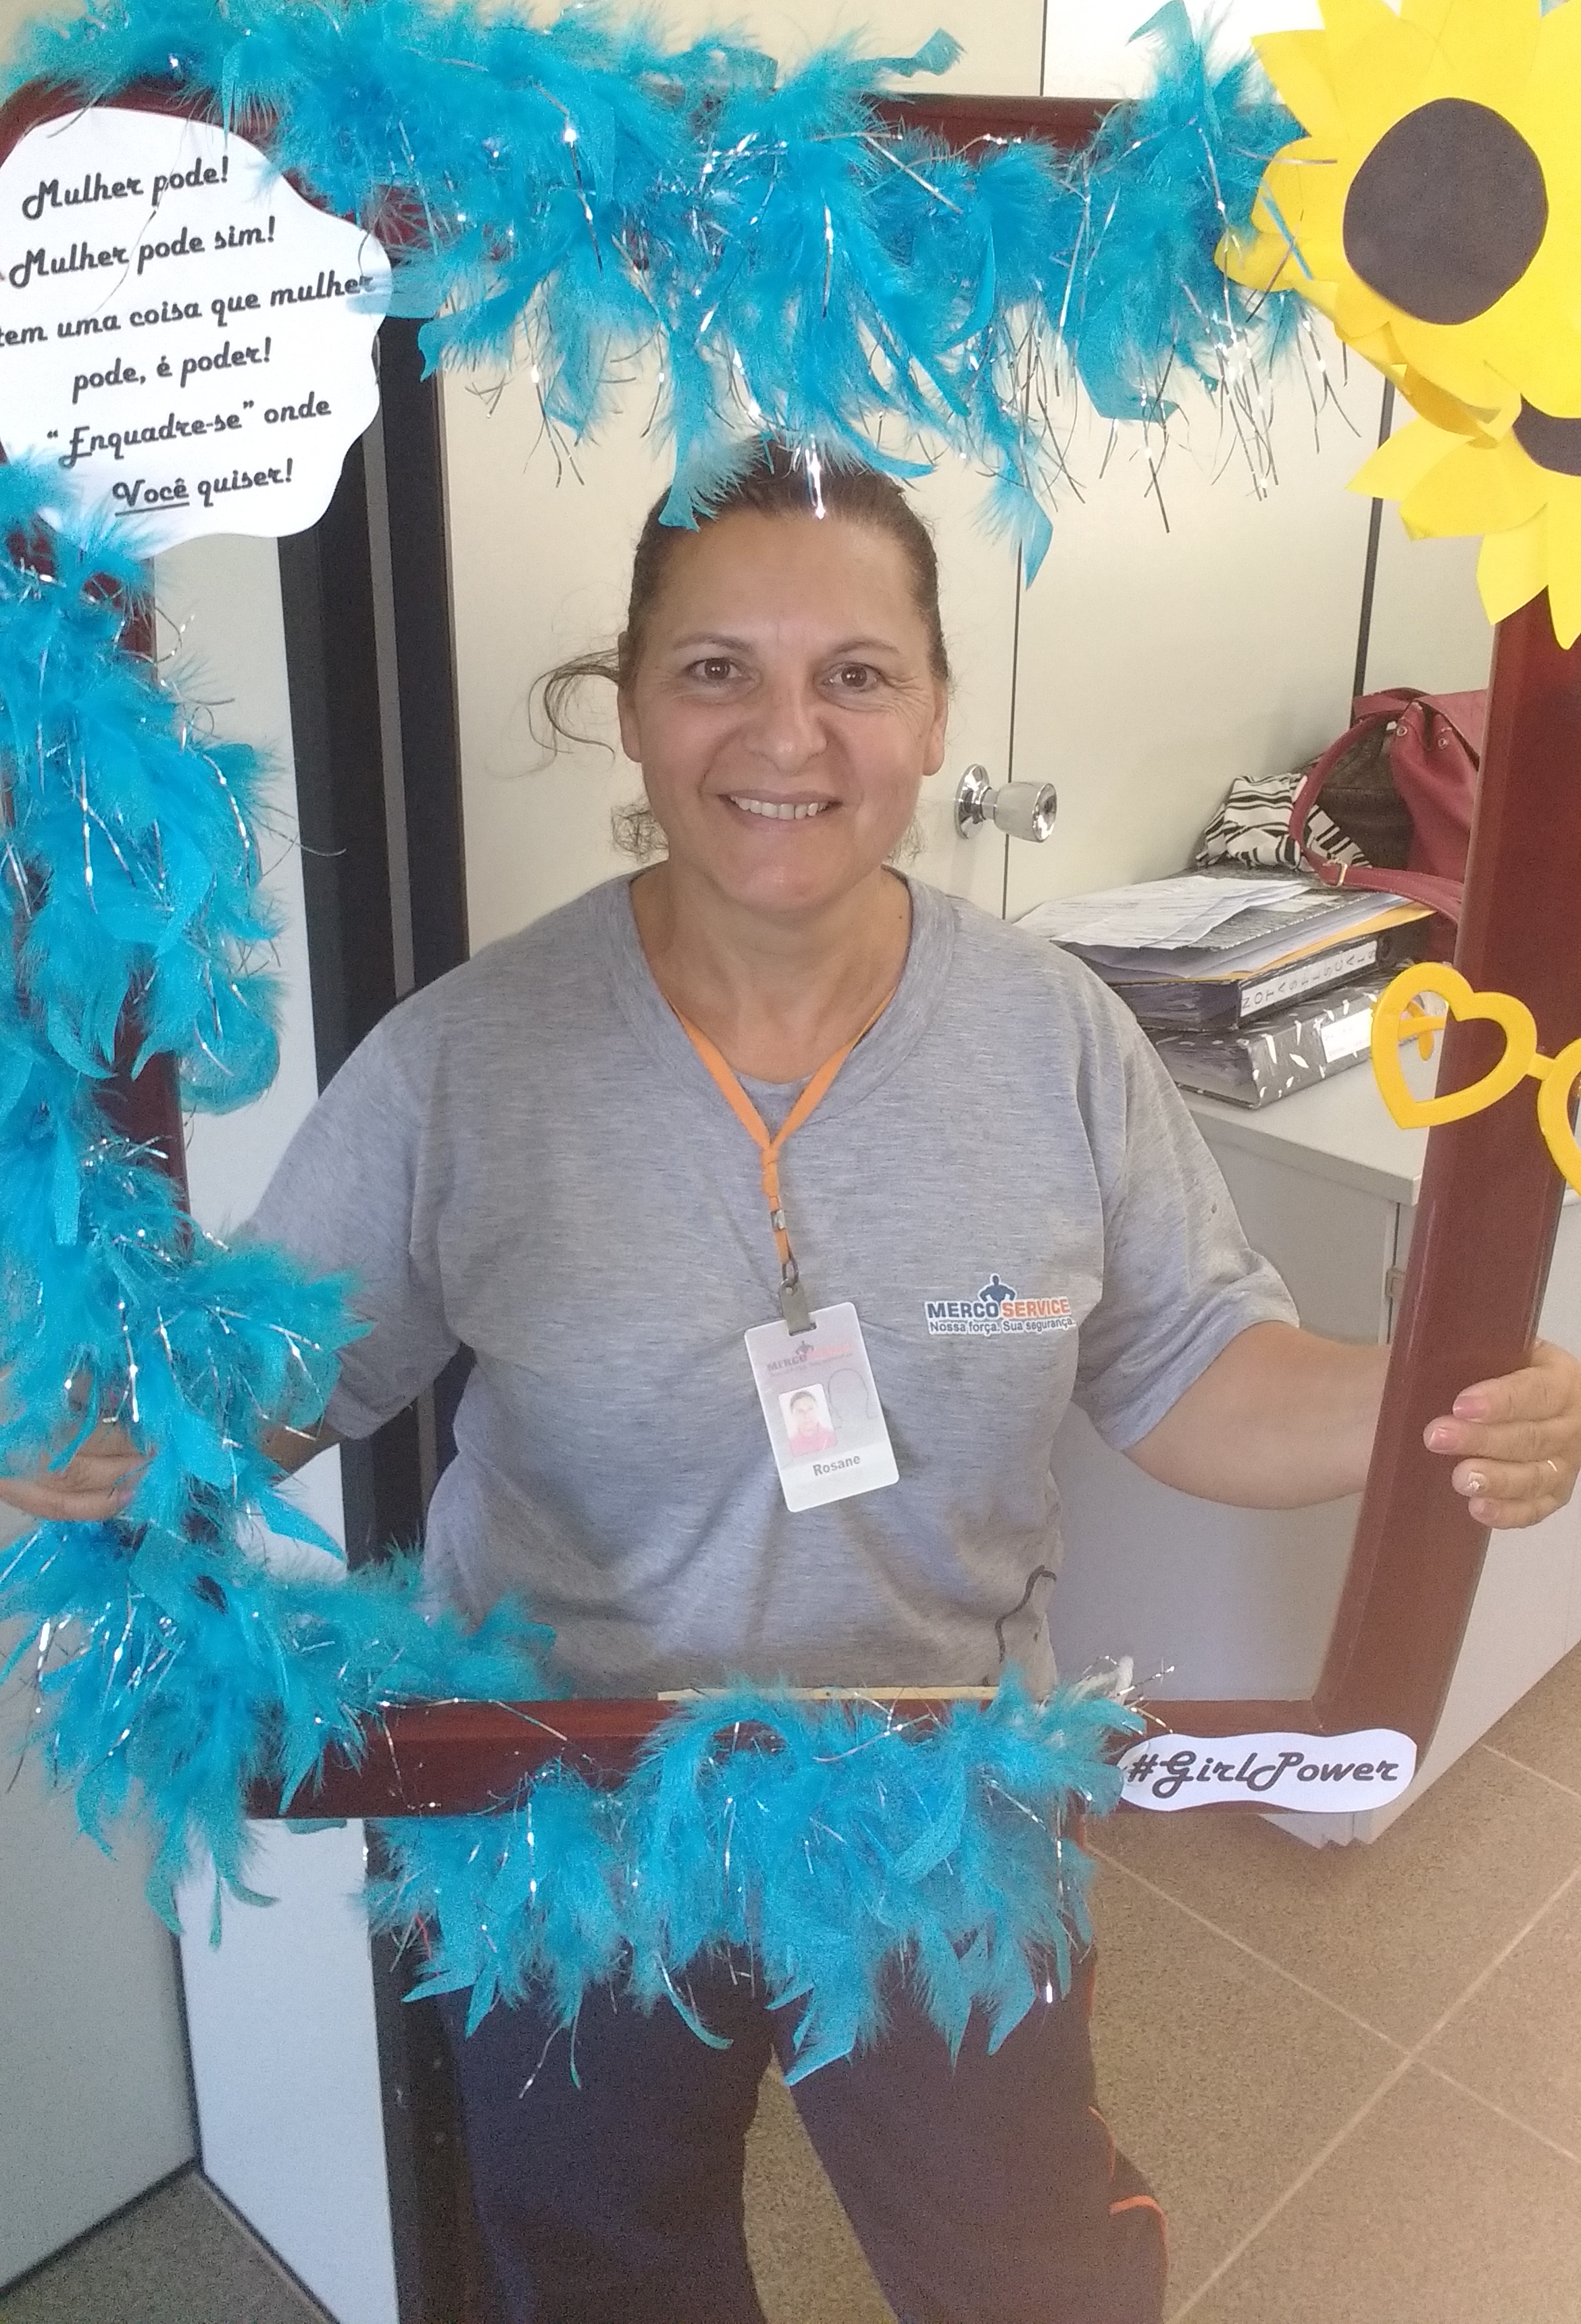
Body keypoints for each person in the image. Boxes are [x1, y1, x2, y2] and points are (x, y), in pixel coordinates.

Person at [7, 440, 1581, 2324]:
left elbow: (1194, 1374)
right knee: (608, 2277)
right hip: (568, 1814)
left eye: (854, 674)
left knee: (1026, 2272)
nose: (787, 735)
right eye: (714, 670)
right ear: (627, 709)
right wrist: (89, 1435)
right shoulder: (463, 1068)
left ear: (933, 719)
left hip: (941, 1789)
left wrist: (1440, 1404)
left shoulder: (1055, 1036)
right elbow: (255, 1397)